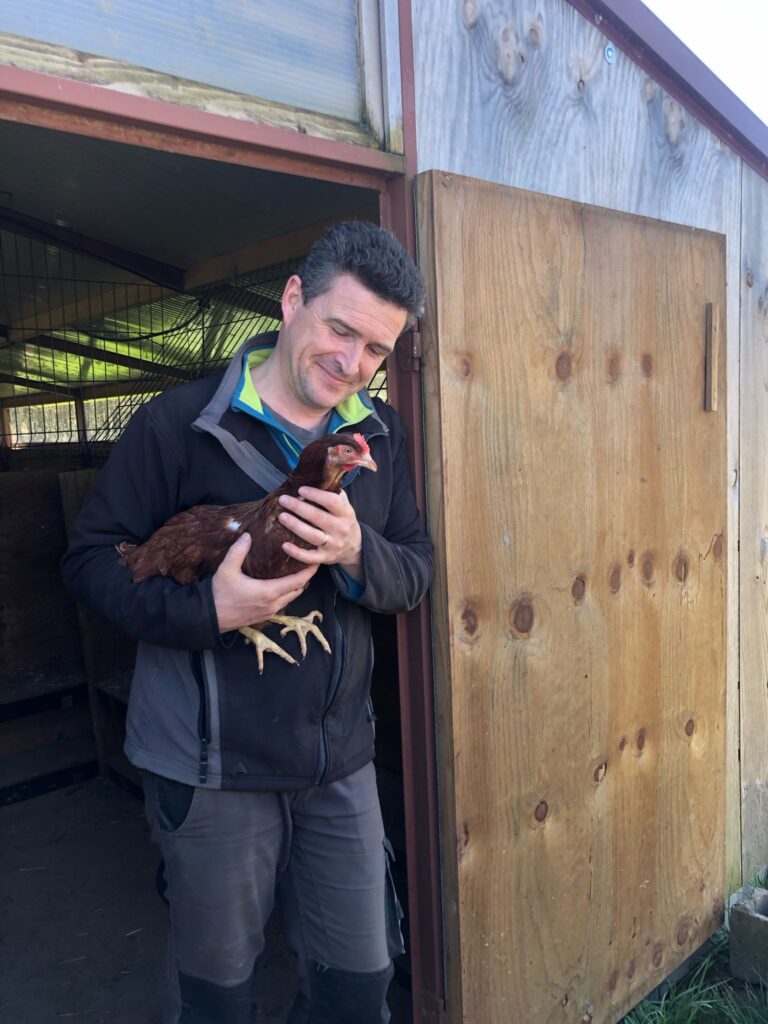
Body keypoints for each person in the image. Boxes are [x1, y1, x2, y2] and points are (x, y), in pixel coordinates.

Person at [61, 220, 433, 1024]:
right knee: (218, 994)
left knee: (357, 985)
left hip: (338, 763)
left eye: (376, 349)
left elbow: (415, 574)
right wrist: (211, 611)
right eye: (341, 328)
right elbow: (89, 563)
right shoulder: (177, 424)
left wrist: (356, 549)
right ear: (294, 299)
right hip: (209, 767)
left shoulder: (376, 435)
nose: (352, 362)